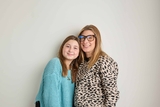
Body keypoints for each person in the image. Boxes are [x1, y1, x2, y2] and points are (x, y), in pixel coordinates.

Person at [74, 25, 120, 107]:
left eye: (90, 37)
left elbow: (112, 95)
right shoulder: (82, 63)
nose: (85, 41)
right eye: (82, 37)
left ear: (97, 40)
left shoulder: (104, 61)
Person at [35, 35, 83, 107]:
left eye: (75, 48)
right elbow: (50, 95)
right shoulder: (55, 63)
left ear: (79, 52)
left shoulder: (74, 70)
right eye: (68, 46)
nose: (71, 50)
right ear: (62, 48)